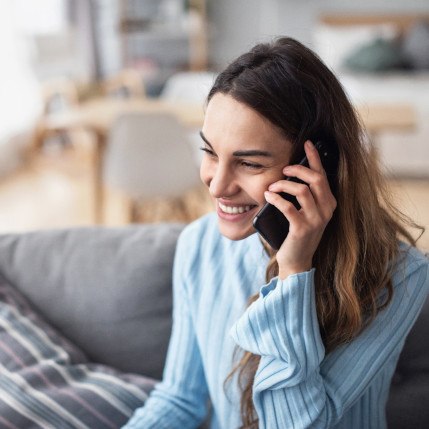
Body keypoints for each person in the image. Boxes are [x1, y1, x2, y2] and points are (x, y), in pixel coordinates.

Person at [123, 37, 429, 429]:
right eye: (210, 152)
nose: (217, 186)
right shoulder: (198, 246)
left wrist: (293, 272)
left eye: (248, 163)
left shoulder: (402, 276)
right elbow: (179, 399)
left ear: (317, 167)